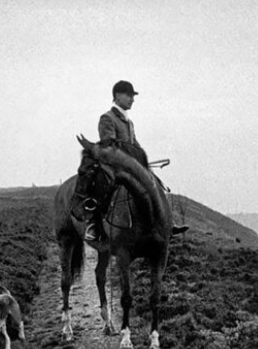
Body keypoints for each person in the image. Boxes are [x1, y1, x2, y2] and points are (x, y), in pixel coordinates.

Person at [74, 80, 188, 241]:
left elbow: (134, 143)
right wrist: (130, 158)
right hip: (114, 165)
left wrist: (142, 159)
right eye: (129, 95)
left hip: (132, 166)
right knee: (103, 189)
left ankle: (167, 223)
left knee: (156, 183)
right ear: (117, 96)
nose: (132, 99)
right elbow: (110, 144)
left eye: (132, 96)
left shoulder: (129, 122)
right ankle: (95, 225)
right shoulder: (107, 118)